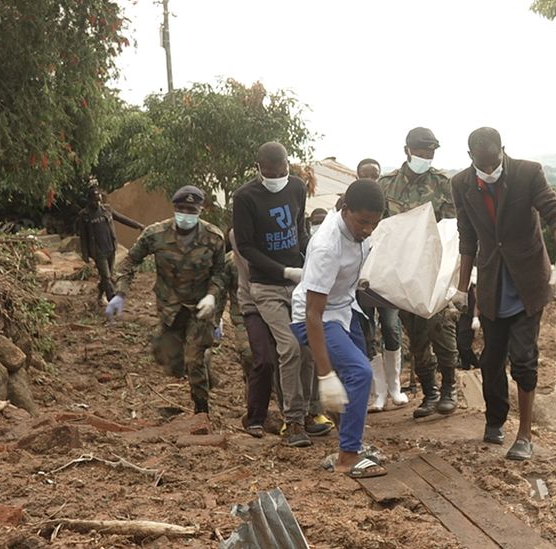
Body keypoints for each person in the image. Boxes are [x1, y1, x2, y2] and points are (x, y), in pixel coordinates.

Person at [450, 127, 556, 461]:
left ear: (503, 151)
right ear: (470, 158)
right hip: (492, 281)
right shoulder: (461, 184)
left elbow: (555, 214)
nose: (490, 172)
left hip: (527, 279)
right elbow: (467, 238)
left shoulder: (527, 173)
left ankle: (524, 435)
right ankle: (495, 421)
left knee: (523, 357)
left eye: (494, 164)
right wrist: (462, 289)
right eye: (482, 166)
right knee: (491, 358)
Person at [297, 179, 387, 478]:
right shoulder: (327, 245)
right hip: (316, 318)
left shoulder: (362, 232)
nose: (367, 230)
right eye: (363, 222)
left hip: (345, 309)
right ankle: (347, 457)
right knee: (359, 372)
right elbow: (312, 313)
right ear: (346, 210)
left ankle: (350, 445)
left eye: (374, 223)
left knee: (358, 381)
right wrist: (324, 375)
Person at [107, 186, 224, 413]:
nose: (186, 214)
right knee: (170, 362)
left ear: (201, 210)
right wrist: (119, 294)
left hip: (200, 309)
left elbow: (220, 273)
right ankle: (203, 362)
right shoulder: (155, 234)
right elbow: (129, 263)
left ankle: (202, 411)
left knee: (193, 360)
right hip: (170, 308)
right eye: (181, 209)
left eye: (191, 209)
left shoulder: (214, 237)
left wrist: (212, 297)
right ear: (174, 208)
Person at [232, 142, 313, 447]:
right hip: (266, 285)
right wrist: (283, 271)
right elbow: (247, 247)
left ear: (287, 165)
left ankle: (306, 413)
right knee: (289, 347)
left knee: (306, 347)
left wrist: (311, 258)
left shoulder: (296, 188)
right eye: (271, 172)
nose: (277, 176)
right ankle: (292, 422)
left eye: (282, 171)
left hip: (298, 281)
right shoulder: (245, 198)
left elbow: (300, 229)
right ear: (260, 168)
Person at [378, 128, 459, 418]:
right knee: (414, 332)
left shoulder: (442, 184)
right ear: (407, 151)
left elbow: (452, 229)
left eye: (431, 153)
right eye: (422, 152)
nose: (427, 157)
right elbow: (380, 227)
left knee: (441, 324)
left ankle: (450, 388)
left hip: (432, 267)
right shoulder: (386, 185)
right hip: (401, 271)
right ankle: (429, 392)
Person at [354, 157, 408, 412]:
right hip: (360, 282)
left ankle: (395, 387)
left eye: (375, 175)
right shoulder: (348, 205)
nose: (371, 180)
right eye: (365, 175)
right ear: (357, 176)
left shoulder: (389, 208)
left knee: (390, 327)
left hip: (387, 278)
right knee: (367, 334)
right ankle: (379, 392)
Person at [78, 183, 145, 303]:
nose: (97, 203)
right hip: (98, 251)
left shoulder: (107, 209)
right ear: (89, 200)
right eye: (94, 201)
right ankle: (112, 300)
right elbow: (83, 237)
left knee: (108, 276)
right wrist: (85, 254)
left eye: (99, 200)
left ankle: (100, 295)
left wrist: (138, 225)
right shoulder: (84, 216)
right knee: (106, 276)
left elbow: (122, 218)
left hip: (111, 248)